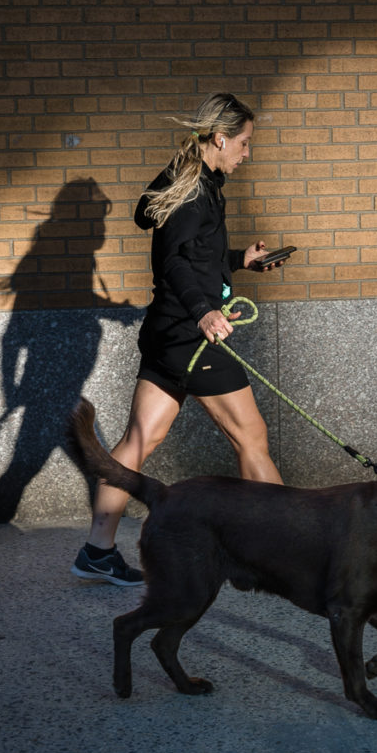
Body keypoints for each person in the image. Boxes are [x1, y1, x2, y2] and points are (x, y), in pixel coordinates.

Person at [72, 93, 284, 586]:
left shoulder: (186, 180)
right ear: (220, 138)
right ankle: (290, 549)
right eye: (244, 142)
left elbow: (191, 254)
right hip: (192, 339)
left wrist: (239, 260)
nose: (247, 152)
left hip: (167, 335)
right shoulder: (193, 191)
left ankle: (97, 551)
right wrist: (204, 311)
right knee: (251, 437)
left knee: (139, 439)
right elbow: (173, 263)